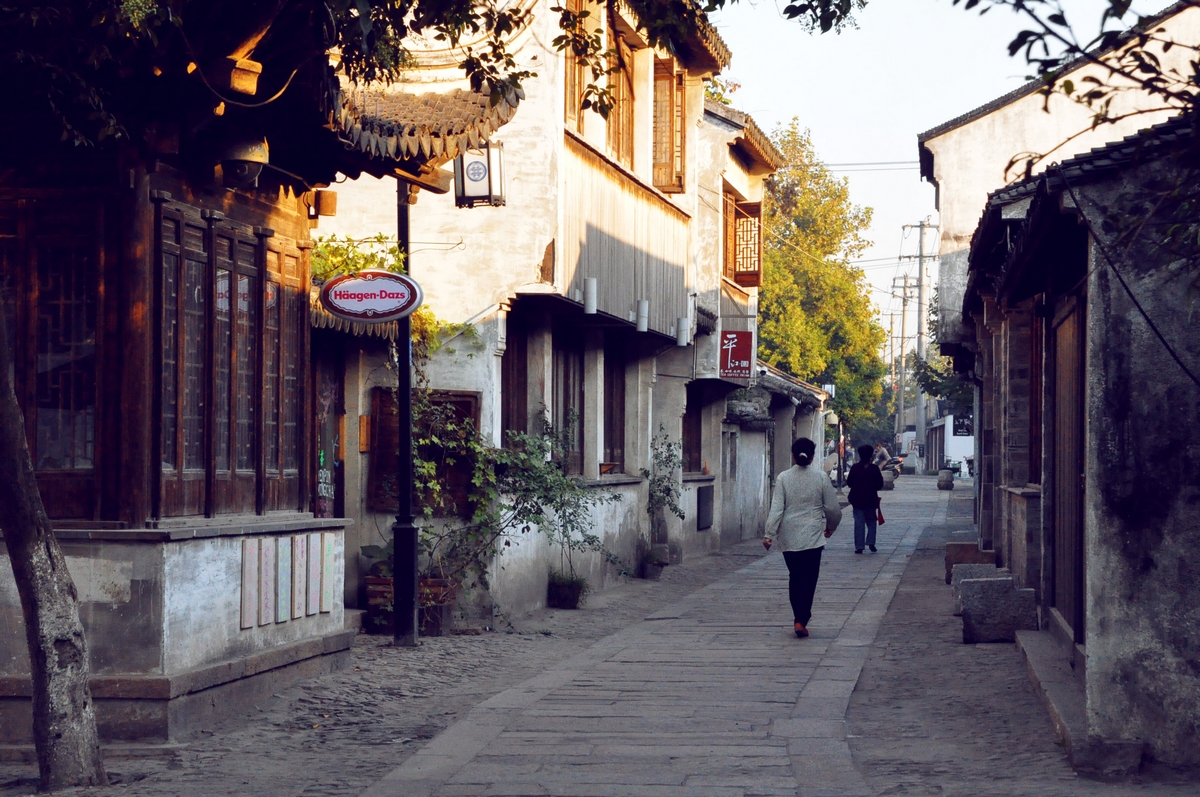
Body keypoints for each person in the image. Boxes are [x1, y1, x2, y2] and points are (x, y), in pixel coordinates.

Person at [762, 437, 842, 638]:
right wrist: (830, 527)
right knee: (809, 579)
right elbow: (832, 508)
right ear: (813, 456)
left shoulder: (783, 478)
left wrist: (769, 534)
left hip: (789, 537)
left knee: (795, 577)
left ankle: (799, 617)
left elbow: (777, 508)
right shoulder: (821, 478)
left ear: (793, 455)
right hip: (813, 538)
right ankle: (801, 619)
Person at [846, 444, 884, 554]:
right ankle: (871, 543)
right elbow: (879, 484)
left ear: (859, 455)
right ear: (871, 455)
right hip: (871, 499)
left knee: (859, 522)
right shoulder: (874, 469)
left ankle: (859, 546)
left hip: (857, 499)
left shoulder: (855, 468)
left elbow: (849, 483)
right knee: (872, 521)